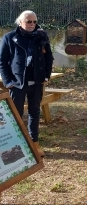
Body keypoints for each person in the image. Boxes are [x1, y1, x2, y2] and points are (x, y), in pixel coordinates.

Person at [0, 10, 53, 157]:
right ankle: (15, 144)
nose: (32, 24)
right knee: (16, 114)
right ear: (20, 22)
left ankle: (34, 143)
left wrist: (46, 77)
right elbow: (2, 62)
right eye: (29, 21)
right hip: (17, 83)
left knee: (34, 112)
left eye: (35, 22)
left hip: (36, 82)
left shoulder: (42, 37)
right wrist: (8, 82)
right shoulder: (10, 38)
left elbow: (49, 57)